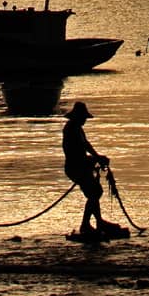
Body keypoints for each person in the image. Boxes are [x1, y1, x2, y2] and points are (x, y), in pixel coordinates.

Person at [62, 100, 109, 239]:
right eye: (83, 118)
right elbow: (74, 153)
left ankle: (98, 222)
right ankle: (85, 225)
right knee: (95, 192)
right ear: (78, 117)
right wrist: (95, 159)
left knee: (94, 192)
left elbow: (86, 146)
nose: (84, 120)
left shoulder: (77, 128)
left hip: (81, 166)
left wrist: (97, 157)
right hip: (75, 167)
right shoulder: (71, 129)